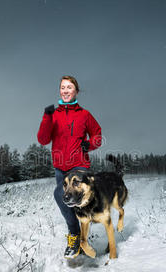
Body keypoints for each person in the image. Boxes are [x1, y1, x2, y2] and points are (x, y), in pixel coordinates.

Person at [37, 75, 102, 259]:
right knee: (69, 202)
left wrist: (89, 145)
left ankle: (76, 234)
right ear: (60, 91)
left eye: (69, 87)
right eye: (63, 87)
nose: (65, 90)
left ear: (76, 91)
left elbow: (97, 134)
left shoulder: (84, 114)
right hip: (60, 168)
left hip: (79, 164)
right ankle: (78, 237)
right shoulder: (53, 114)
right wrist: (46, 117)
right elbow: (43, 139)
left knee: (62, 195)